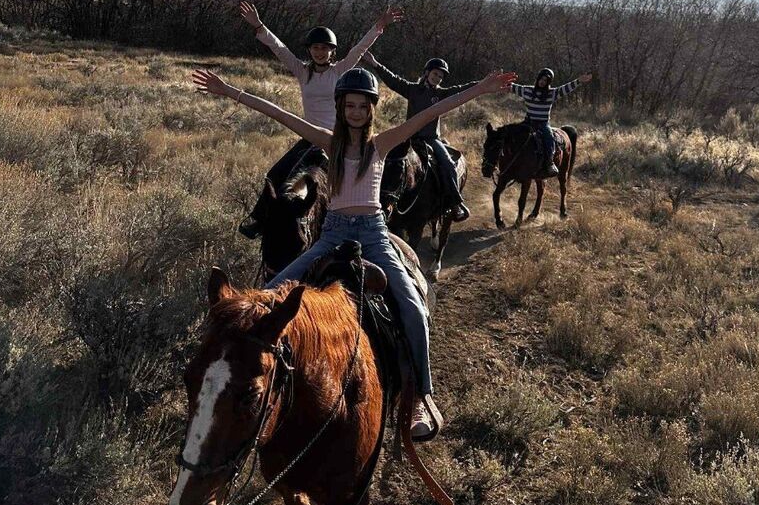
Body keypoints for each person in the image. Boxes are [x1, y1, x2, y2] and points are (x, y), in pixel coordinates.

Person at [192, 64, 516, 441]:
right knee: (266, 295)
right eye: (350, 105)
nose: (356, 112)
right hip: (332, 234)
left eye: (363, 106)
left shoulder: (381, 144)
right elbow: (278, 113)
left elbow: (431, 111)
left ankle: (419, 397)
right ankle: (237, 379)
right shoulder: (328, 142)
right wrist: (229, 90)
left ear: (371, 109)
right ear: (341, 107)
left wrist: (482, 88)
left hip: (374, 235)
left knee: (413, 307)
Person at [236, 1, 403, 237]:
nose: (319, 52)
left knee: (327, 185)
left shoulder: (339, 71)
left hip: (334, 140)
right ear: (310, 50)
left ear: (332, 51)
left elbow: (359, 48)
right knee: (275, 176)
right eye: (315, 47)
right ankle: (261, 221)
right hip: (308, 139)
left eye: (324, 48)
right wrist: (259, 26)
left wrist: (380, 25)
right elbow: (279, 48)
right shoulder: (302, 71)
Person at [365, 52, 476, 222]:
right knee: (385, 157)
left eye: (441, 76)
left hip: (431, 139)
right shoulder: (412, 89)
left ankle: (455, 203)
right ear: (427, 72)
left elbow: (463, 89)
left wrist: (484, 84)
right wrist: (375, 64)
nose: (437, 78)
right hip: (408, 136)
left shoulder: (442, 94)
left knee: (448, 164)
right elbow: (392, 80)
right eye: (435, 74)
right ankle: (373, 196)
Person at [510, 68, 593, 177]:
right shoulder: (527, 90)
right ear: (538, 79)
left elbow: (565, 88)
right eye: (541, 79)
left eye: (545, 80)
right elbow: (512, 87)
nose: (542, 82)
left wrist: (579, 81)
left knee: (549, 138)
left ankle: (550, 163)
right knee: (512, 135)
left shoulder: (552, 93)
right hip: (528, 123)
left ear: (548, 82)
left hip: (543, 124)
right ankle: (508, 161)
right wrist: (499, 82)